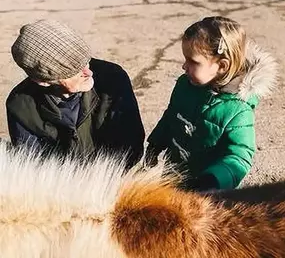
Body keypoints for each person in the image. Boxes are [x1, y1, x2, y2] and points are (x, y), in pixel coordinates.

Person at [144, 16, 278, 191]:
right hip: (173, 177)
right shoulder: (185, 85)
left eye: (193, 62)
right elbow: (171, 115)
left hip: (208, 194)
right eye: (185, 59)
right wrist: (155, 144)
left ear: (222, 66)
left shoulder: (238, 110)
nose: (184, 66)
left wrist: (213, 181)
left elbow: (239, 156)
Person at [6, 19, 145, 169]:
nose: (89, 72)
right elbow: (34, 166)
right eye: (75, 72)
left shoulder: (112, 77)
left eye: (86, 62)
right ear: (44, 81)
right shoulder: (20, 106)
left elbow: (131, 145)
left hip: (114, 177)